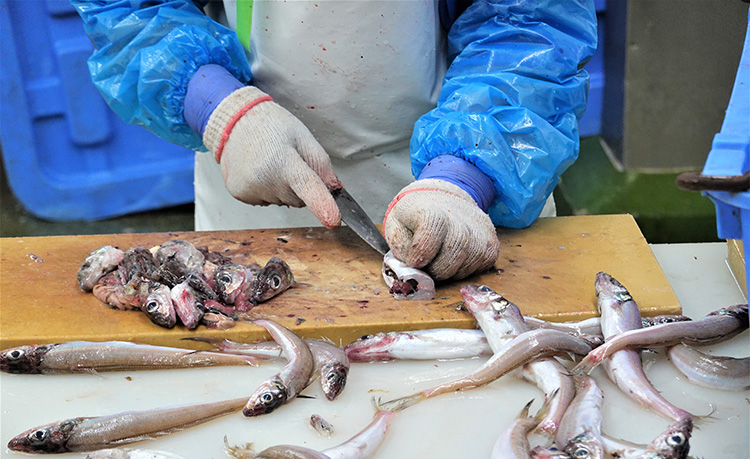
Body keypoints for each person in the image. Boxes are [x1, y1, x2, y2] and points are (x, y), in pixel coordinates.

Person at [71, 0, 597, 281]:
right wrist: (218, 106)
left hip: (469, 184)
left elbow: (533, 25)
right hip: (251, 168)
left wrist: (466, 176)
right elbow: (130, 11)